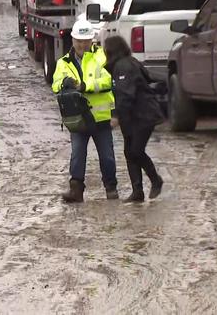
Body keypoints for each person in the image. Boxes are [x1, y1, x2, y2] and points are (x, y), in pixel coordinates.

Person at [52, 20, 118, 203]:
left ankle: (111, 189)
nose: (82, 45)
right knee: (77, 154)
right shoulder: (63, 63)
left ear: (92, 41)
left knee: (107, 156)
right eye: (79, 41)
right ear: (73, 40)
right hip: (77, 119)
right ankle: (76, 191)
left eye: (86, 41)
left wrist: (85, 86)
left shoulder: (102, 57)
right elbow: (55, 85)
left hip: (100, 117)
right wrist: (63, 84)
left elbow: (108, 81)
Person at [103, 35, 164, 202]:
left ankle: (156, 180)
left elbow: (125, 95)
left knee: (136, 151)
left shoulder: (123, 66)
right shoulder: (127, 63)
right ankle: (137, 192)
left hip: (143, 116)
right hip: (132, 117)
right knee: (129, 152)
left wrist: (116, 116)